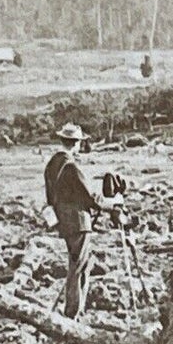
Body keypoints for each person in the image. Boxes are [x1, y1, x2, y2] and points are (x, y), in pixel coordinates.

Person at [43, 122, 103, 319]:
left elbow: (50, 197)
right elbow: (88, 196)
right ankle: (72, 313)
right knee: (77, 267)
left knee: (79, 264)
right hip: (79, 222)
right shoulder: (71, 166)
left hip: (63, 221)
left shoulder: (52, 165)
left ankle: (77, 309)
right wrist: (105, 205)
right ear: (76, 143)